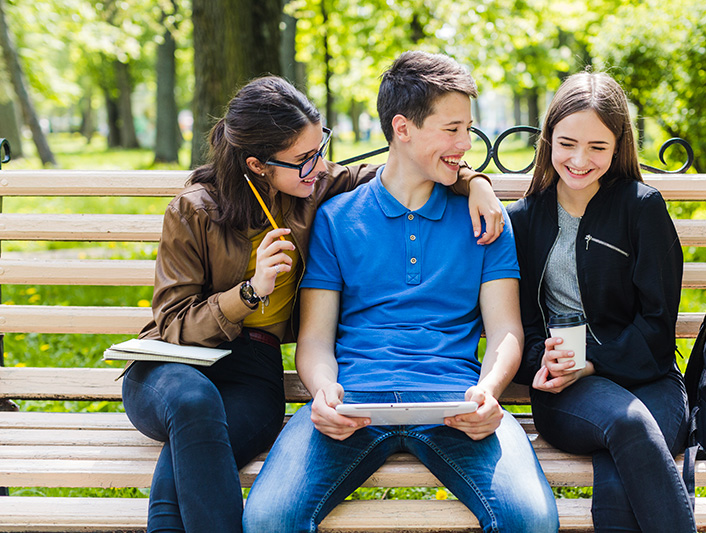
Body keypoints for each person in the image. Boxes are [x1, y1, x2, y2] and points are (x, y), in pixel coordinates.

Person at [121, 75, 503, 533]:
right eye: (303, 160)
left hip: (252, 369)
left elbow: (407, 168)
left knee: (195, 442)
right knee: (194, 404)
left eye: (319, 149)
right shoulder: (195, 210)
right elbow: (171, 323)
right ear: (257, 165)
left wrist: (475, 181)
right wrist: (250, 291)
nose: (318, 167)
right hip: (174, 366)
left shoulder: (315, 188)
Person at [242, 51, 559, 533]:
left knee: (532, 521)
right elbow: (315, 340)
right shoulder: (336, 218)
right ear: (403, 128)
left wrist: (488, 393)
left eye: (467, 129)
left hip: (456, 402)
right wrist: (325, 393)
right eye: (451, 129)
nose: (464, 143)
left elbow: (506, 332)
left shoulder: (487, 221)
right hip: (353, 403)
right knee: (268, 520)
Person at [507, 71, 695, 532]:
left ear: (618, 146)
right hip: (568, 393)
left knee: (618, 467)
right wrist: (545, 363)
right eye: (567, 142)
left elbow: (657, 327)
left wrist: (592, 360)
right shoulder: (524, 220)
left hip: (651, 383)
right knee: (628, 426)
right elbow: (526, 329)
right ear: (548, 138)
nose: (579, 159)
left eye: (597, 147)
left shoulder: (641, 208)